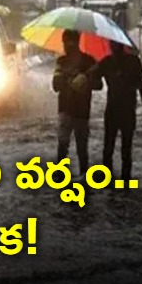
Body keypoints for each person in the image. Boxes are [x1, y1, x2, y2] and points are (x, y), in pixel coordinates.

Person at [90, 40, 142, 181]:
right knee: (111, 149)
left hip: (125, 111)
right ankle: (119, 185)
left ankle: (121, 184)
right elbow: (93, 77)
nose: (113, 47)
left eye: (115, 45)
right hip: (117, 111)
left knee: (122, 149)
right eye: (112, 45)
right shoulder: (109, 62)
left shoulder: (132, 62)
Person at [52, 29, 103, 177]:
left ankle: (84, 177)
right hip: (65, 110)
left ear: (75, 43)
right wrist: (68, 79)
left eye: (68, 43)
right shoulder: (61, 61)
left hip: (82, 111)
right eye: (65, 43)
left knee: (82, 148)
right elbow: (55, 86)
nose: (66, 46)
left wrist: (86, 80)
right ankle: (60, 177)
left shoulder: (89, 62)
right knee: (62, 146)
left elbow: (99, 85)